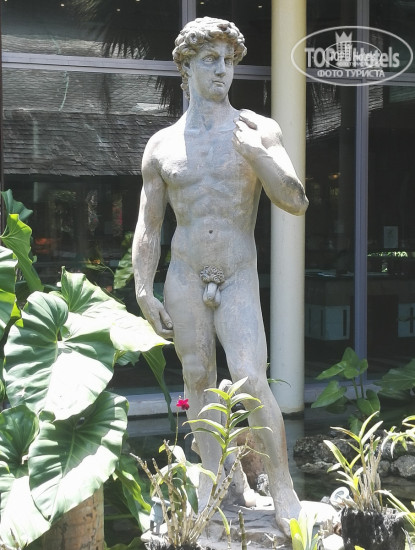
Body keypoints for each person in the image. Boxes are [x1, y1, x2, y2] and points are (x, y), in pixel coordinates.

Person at [132, 17, 308, 533]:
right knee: (198, 378)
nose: (222, 70)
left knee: (251, 379)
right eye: (210, 59)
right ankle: (214, 482)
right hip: (185, 275)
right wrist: (142, 289)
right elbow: (149, 226)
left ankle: (282, 488)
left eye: (229, 61)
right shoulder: (162, 145)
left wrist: (258, 155)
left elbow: (295, 201)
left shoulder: (258, 130)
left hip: (236, 275)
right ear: (185, 67)